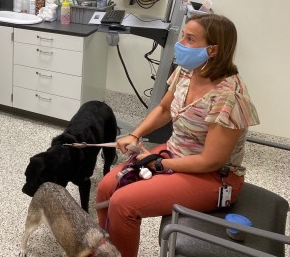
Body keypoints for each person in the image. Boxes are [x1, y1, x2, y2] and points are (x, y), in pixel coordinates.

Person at [95, 13, 259, 257]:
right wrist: (136, 135)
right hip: (174, 153)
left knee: (124, 203)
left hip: (214, 177)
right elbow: (163, 109)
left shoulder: (228, 97)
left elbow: (210, 161)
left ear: (213, 50)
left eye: (190, 39)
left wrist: (159, 163)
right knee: (106, 187)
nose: (181, 43)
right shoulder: (186, 71)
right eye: (183, 35)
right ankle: (105, 250)